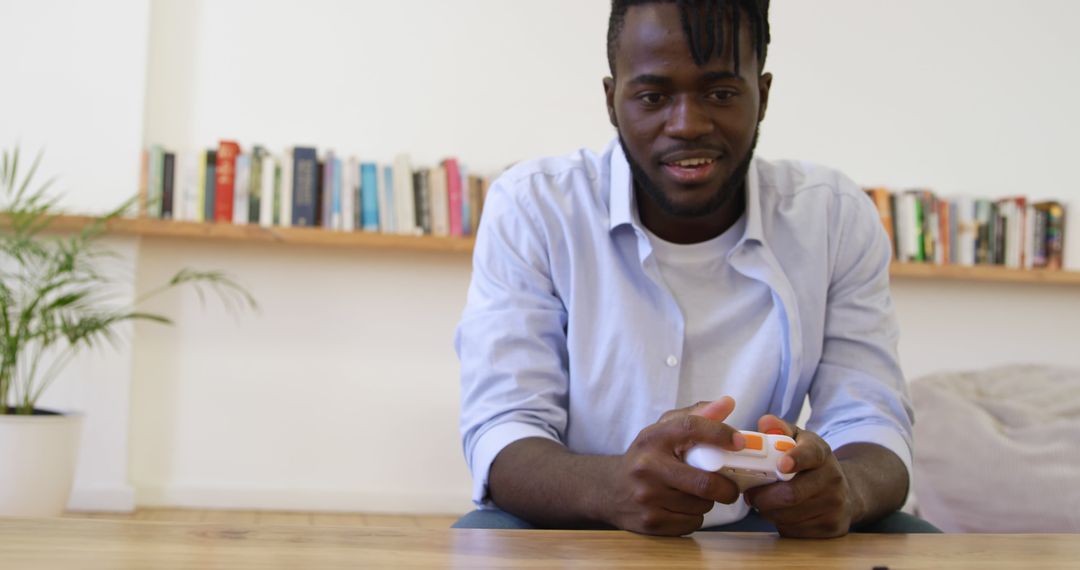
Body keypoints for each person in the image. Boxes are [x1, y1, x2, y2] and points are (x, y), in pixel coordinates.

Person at [453, 0, 939, 537]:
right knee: (484, 540)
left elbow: (871, 422)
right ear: (612, 101)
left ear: (764, 95)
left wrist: (846, 490)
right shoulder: (534, 207)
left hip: (762, 527)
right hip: (576, 517)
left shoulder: (833, 215)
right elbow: (504, 429)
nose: (687, 124)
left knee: (912, 538)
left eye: (721, 93)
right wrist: (613, 488)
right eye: (653, 96)